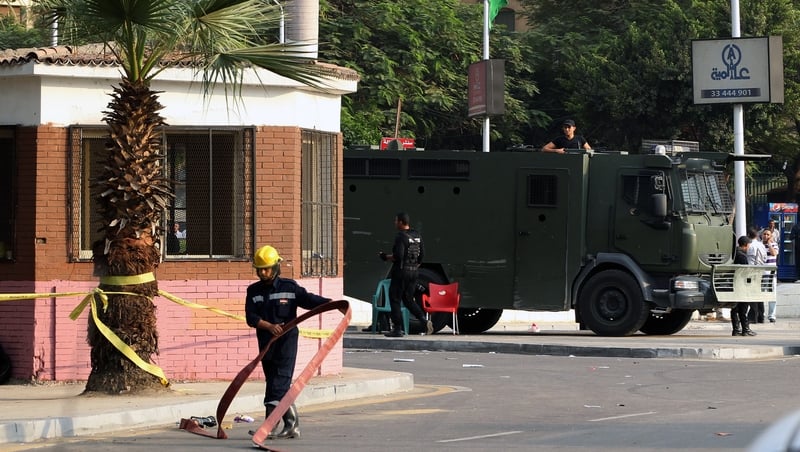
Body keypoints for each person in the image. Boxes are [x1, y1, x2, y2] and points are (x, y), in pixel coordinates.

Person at [245, 245, 331, 439]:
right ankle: (292, 425)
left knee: (278, 384)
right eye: (260, 269)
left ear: (276, 267)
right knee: (275, 384)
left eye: (267, 268)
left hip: (286, 344)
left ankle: (269, 426)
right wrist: (268, 326)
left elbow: (309, 300)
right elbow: (251, 317)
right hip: (267, 344)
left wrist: (333, 303)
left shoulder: (289, 288)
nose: (263, 273)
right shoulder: (253, 291)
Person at [378, 212, 433, 337]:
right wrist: (414, 266)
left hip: (401, 272)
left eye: (396, 221)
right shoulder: (417, 235)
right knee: (408, 299)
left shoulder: (401, 236)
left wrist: (385, 257)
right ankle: (424, 321)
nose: (395, 223)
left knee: (395, 299)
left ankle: (397, 329)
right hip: (414, 272)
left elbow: (398, 256)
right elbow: (422, 255)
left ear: (402, 222)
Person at [731, 236, 756, 336]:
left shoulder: (733, 254)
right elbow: (745, 272)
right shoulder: (742, 256)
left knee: (735, 307)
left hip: (733, 284)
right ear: (746, 245)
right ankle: (746, 329)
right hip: (741, 285)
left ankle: (736, 329)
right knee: (744, 307)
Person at [746, 226, 767, 324]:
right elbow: (765, 258)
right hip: (761, 271)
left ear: (748, 235)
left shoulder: (750, 246)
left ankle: (752, 317)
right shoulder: (761, 245)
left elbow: (749, 261)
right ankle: (761, 316)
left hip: (753, 272)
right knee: (759, 294)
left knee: (752, 295)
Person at [762, 229, 779, 323]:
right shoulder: (759, 245)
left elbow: (774, 253)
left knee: (772, 296)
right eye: (764, 234)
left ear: (771, 236)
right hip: (761, 274)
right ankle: (761, 314)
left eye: (768, 234)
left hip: (771, 275)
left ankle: (772, 315)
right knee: (760, 295)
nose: (765, 236)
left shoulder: (774, 245)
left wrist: (769, 244)